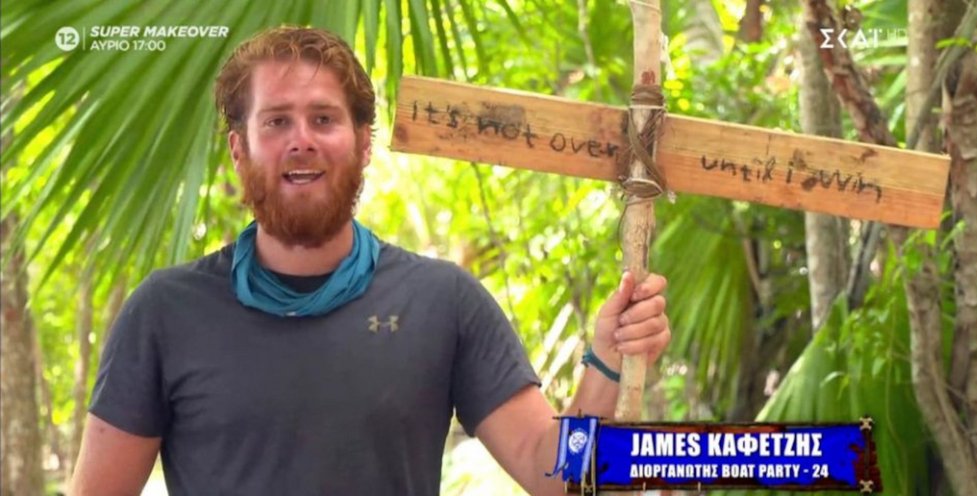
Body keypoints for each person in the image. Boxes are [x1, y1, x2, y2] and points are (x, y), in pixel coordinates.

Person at [69, 26, 672, 496]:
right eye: (276, 121)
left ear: (362, 144)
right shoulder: (165, 313)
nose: (301, 139)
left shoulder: (443, 302)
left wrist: (608, 360)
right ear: (239, 150)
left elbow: (559, 476)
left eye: (323, 118)